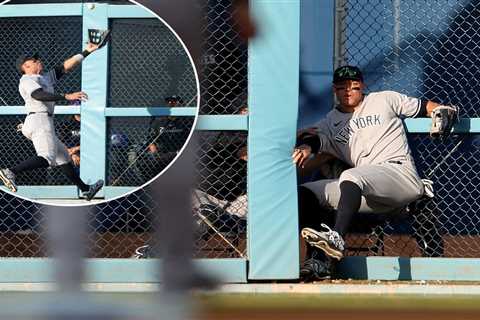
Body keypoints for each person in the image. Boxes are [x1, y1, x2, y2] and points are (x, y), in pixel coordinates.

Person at [293, 65, 456, 281]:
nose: (348, 91)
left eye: (353, 87)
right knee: (307, 192)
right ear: (334, 90)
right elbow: (314, 138)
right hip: (368, 191)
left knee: (351, 176)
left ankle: (337, 238)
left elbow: (427, 106)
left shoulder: (384, 99)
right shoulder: (331, 121)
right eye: (342, 87)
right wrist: (306, 147)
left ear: (362, 86)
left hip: (399, 174)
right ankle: (318, 262)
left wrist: (442, 109)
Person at [0, 45, 104, 201]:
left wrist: (87, 51)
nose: (39, 61)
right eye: (34, 61)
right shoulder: (27, 79)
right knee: (47, 158)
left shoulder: (43, 78)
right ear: (26, 66)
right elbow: (38, 95)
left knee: (63, 157)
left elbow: (63, 68)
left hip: (39, 120)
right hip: (39, 120)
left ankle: (86, 190)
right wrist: (66, 96)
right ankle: (10, 172)